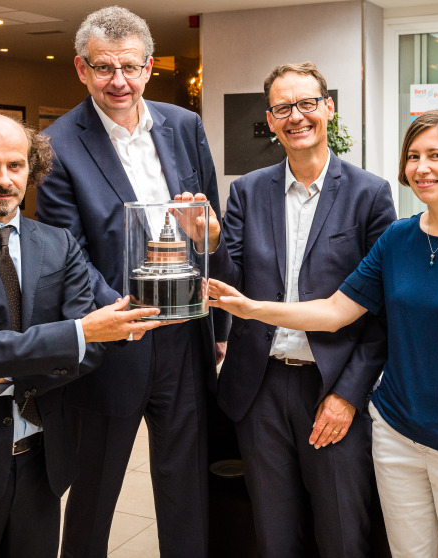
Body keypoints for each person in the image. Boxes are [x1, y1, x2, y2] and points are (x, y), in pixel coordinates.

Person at [207, 110, 438, 558]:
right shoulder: (398, 239)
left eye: (436, 155)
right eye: (414, 156)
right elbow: (335, 311)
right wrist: (250, 308)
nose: (421, 168)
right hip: (398, 437)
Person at [0, 114, 166, 557]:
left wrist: (6, 368)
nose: (4, 180)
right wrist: (76, 333)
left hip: (43, 461)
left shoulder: (59, 244)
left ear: (32, 169)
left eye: (16, 165)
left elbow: (90, 352)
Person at [176, 61, 396, 557]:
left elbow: (383, 311)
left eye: (306, 103)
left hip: (331, 386)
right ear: (271, 120)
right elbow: (233, 286)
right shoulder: (249, 191)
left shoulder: (370, 194)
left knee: (342, 533)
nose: (296, 116)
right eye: (282, 108)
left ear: (328, 108)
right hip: (260, 386)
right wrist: (210, 242)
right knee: (274, 534)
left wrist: (348, 395)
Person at [36, 6, 225, 556]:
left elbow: (209, 225)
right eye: (103, 68)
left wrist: (216, 325)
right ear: (81, 69)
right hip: (113, 339)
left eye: (128, 67)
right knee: (95, 491)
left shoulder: (184, 127)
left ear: (148, 67)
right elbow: (65, 253)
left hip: (185, 337)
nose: (117, 80)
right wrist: (121, 317)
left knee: (186, 485)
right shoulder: (57, 144)